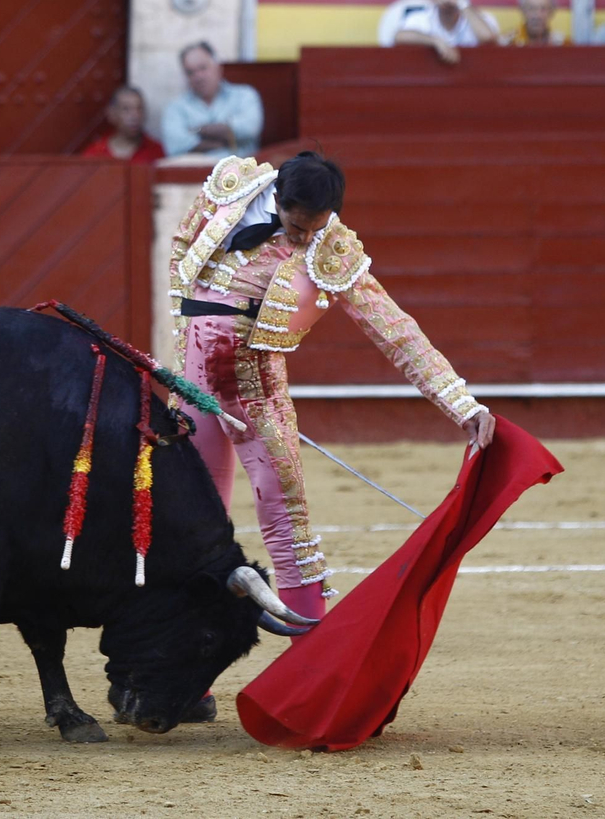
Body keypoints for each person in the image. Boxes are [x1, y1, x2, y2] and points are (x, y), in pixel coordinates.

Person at [168, 150, 496, 623]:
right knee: (192, 508)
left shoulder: (334, 250)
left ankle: (309, 651)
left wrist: (463, 405)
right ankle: (188, 654)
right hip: (193, 379)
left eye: (315, 228)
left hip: (255, 386)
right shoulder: (232, 186)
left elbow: (395, 330)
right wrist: (183, 345)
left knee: (285, 512)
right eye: (297, 227)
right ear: (277, 198)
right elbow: (183, 249)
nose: (306, 238)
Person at [160, 43, 266, 158]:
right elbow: (175, 146)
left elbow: (249, 129)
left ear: (218, 68)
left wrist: (199, 131)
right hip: (196, 168)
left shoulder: (244, 95)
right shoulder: (175, 108)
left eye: (203, 68)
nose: (198, 77)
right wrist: (226, 137)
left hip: (241, 167)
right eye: (190, 72)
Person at [393, 0, 502, 63]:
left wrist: (462, 4)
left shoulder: (481, 17)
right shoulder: (420, 17)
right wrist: (435, 41)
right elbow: (400, 37)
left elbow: (488, 39)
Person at [79, 86, 165, 162]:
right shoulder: (95, 153)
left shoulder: (157, 152)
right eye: (126, 109)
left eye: (139, 108)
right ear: (112, 114)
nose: (135, 116)